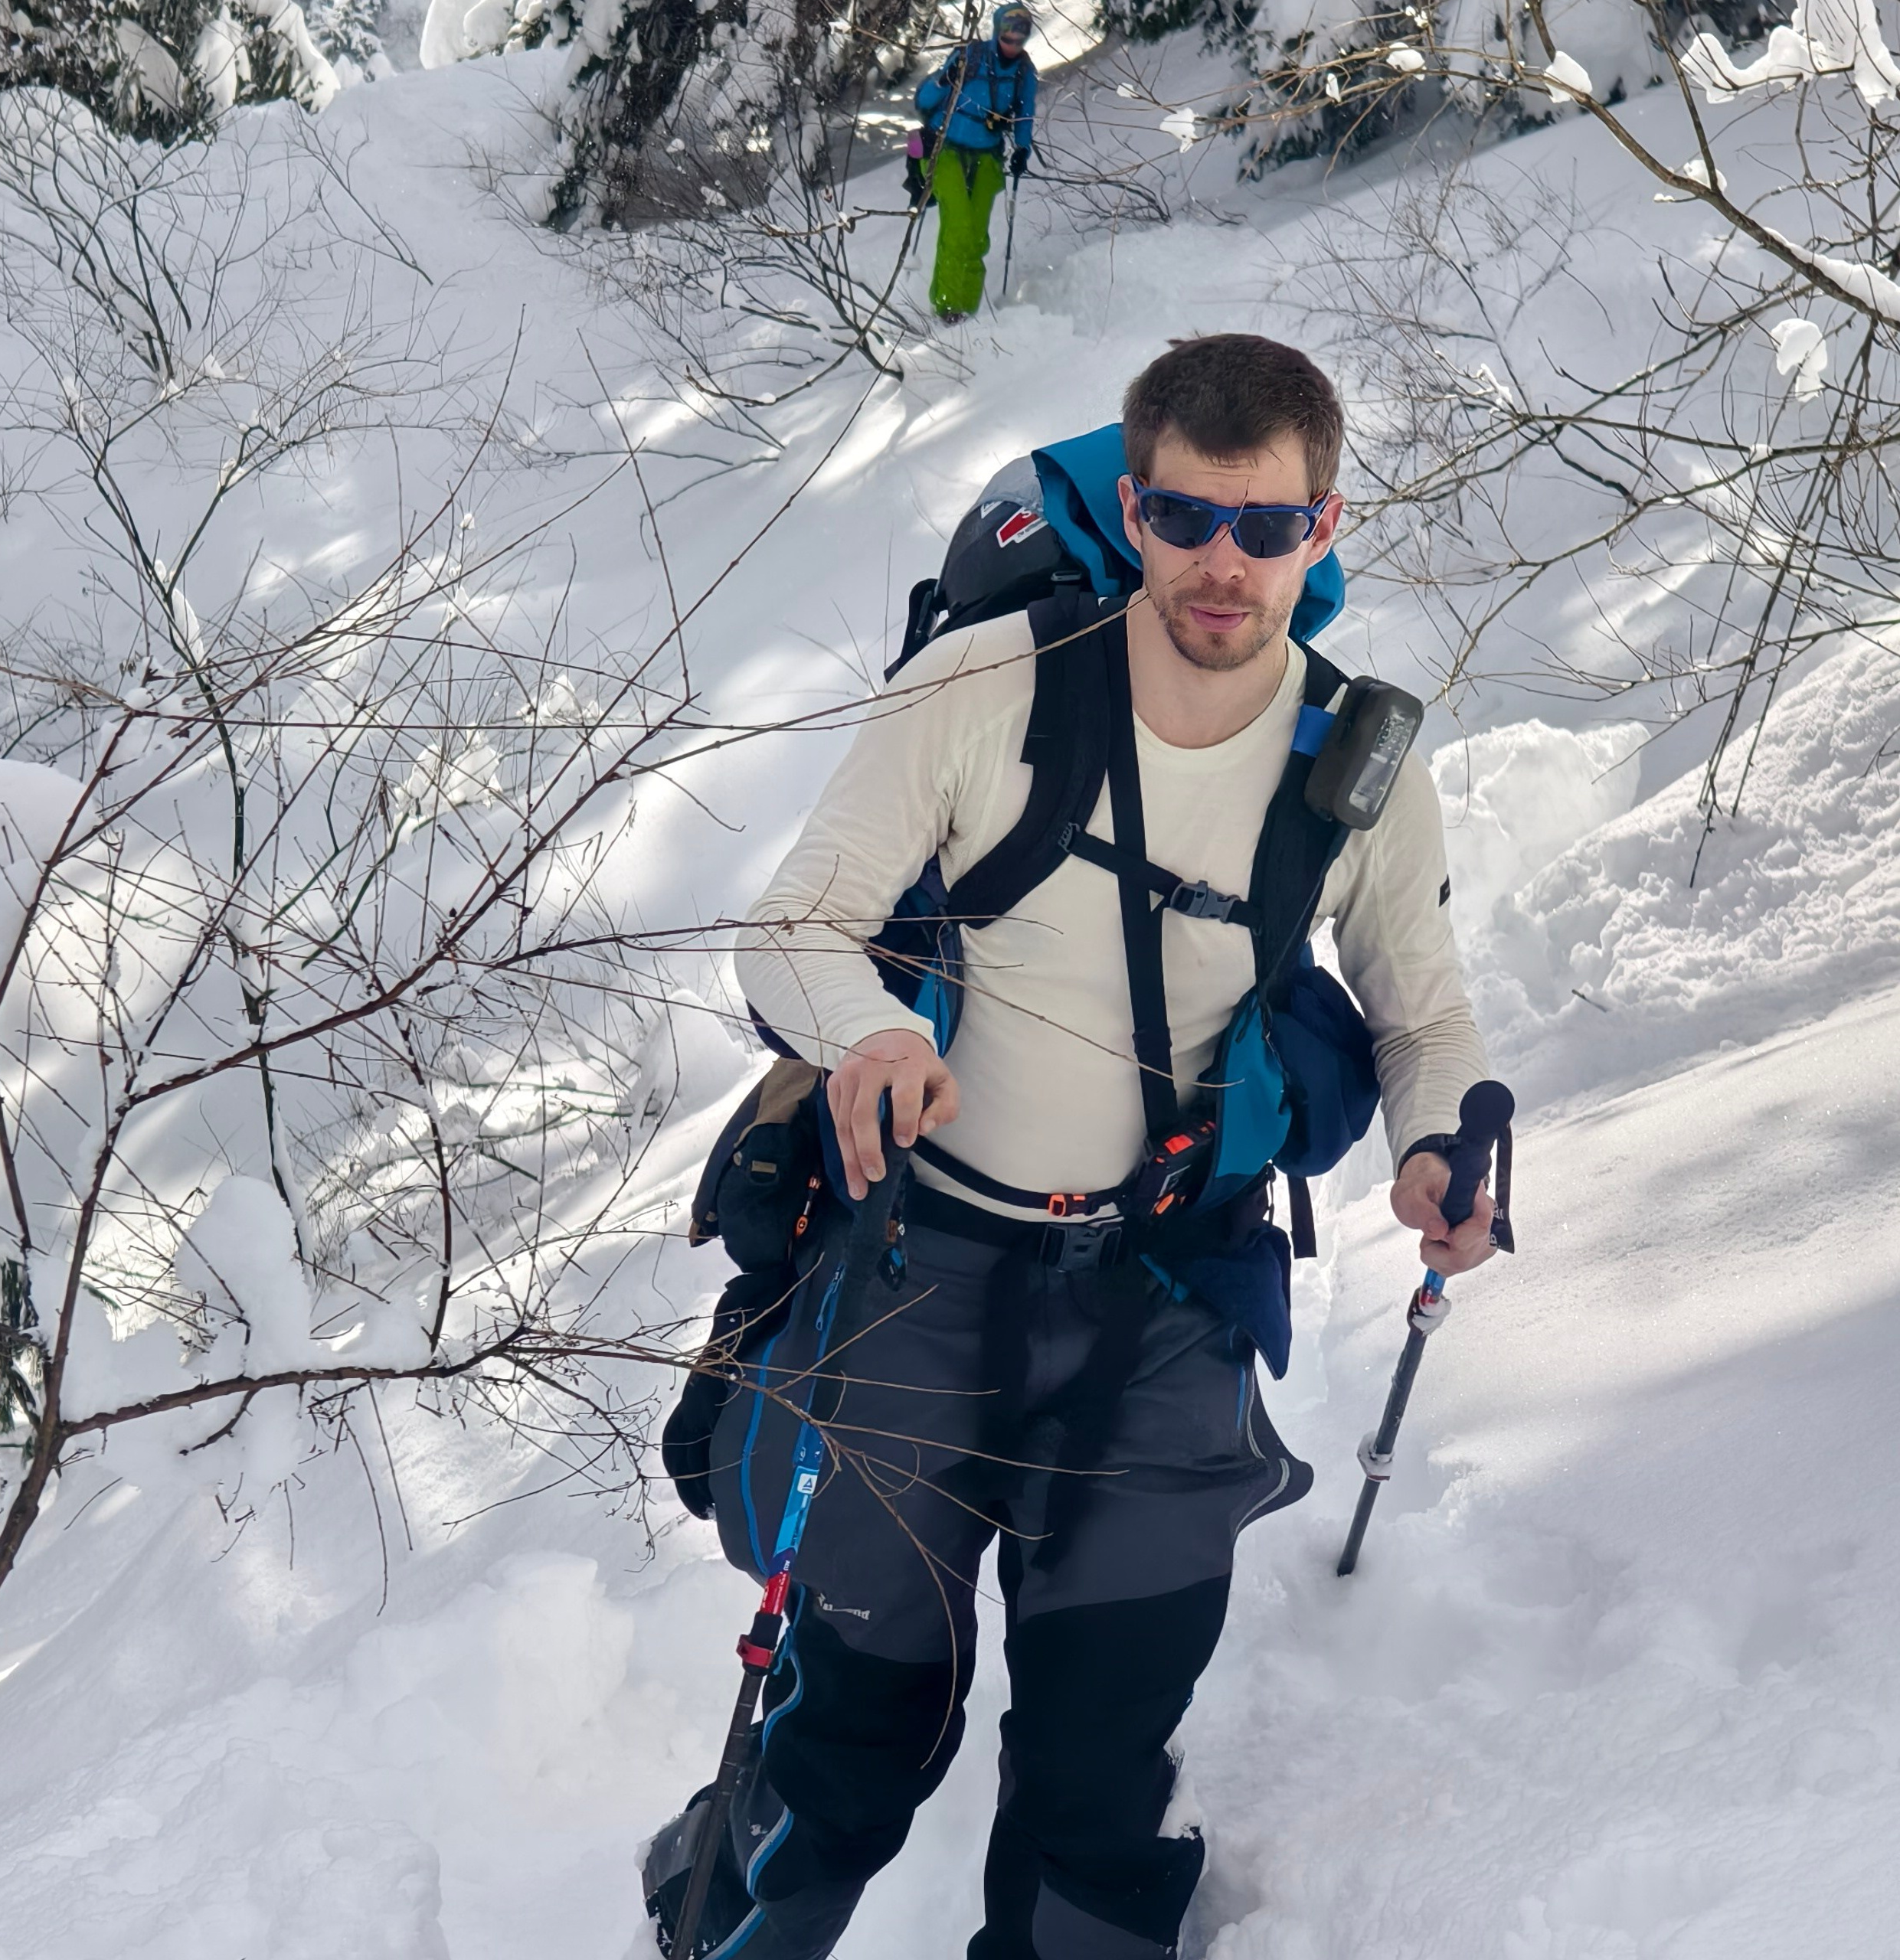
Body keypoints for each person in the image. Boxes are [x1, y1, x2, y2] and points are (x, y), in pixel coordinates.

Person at [659, 335, 1496, 1960]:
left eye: (1267, 528)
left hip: (1166, 1292)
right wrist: (872, 1033)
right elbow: (789, 930)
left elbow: (1420, 1011)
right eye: (1188, 519)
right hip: (927, 1265)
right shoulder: (984, 690)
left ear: (1322, 528)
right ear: (1135, 504)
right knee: (858, 1699)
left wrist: (1436, 1147)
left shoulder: (1356, 764)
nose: (1222, 564)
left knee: (1101, 1743)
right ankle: (729, 1923)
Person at [914, 5, 1038, 322]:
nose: (1013, 43)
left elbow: (1025, 112)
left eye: (1020, 36)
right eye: (1008, 34)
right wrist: (946, 79)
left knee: (976, 236)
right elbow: (925, 101)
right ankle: (949, 309)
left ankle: (964, 309)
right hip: (944, 148)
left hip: (987, 154)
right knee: (959, 227)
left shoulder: (1025, 71)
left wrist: (1022, 148)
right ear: (997, 31)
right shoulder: (972, 56)